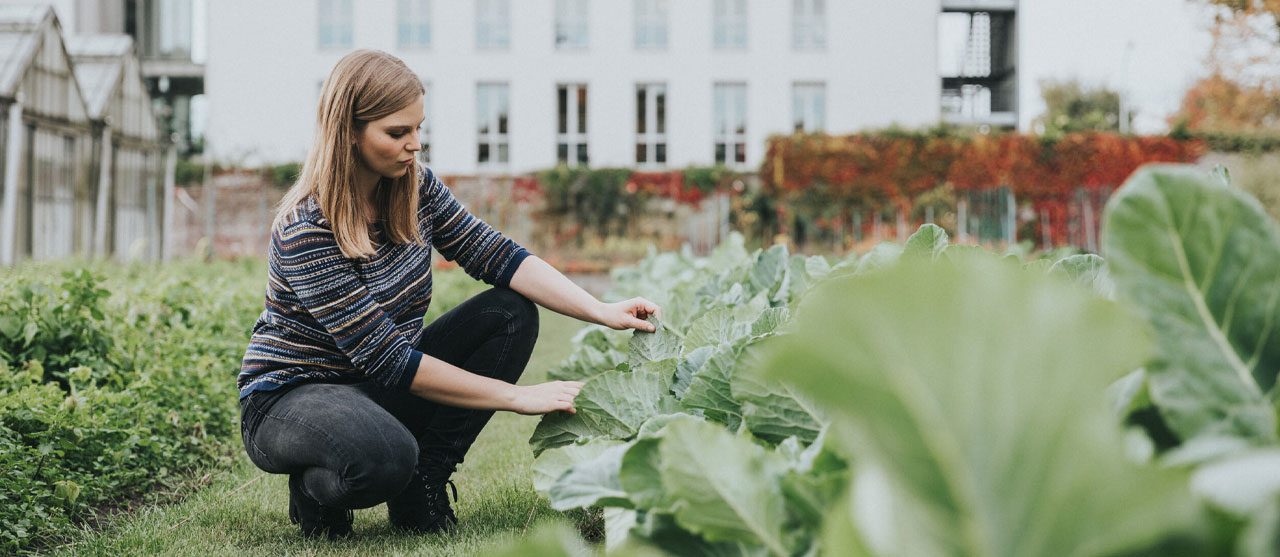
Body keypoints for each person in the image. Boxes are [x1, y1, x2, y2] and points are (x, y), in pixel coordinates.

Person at [236, 49, 661, 540]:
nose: (415, 145)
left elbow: (497, 254)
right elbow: (388, 358)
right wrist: (517, 398)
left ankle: (424, 481)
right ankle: (316, 489)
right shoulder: (305, 230)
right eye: (398, 133)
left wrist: (600, 310)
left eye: (419, 128)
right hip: (291, 396)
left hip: (374, 388)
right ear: (349, 130)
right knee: (382, 458)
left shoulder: (414, 188)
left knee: (509, 313)